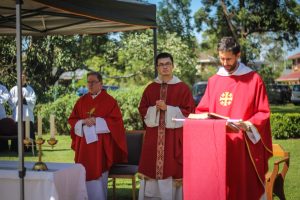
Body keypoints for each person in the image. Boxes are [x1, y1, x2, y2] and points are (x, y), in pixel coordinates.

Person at [195, 37, 272, 200]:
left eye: (228, 59)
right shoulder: (214, 81)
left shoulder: (254, 79)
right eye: (222, 58)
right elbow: (202, 110)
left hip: (244, 146)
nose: (224, 63)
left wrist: (248, 124)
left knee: (244, 187)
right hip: (220, 146)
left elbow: (263, 112)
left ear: (238, 55)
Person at [138, 52, 195, 200]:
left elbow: (189, 113)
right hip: (153, 139)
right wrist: (154, 109)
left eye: (167, 64)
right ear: (157, 67)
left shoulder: (182, 88)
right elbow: (142, 111)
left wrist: (167, 109)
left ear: (173, 66)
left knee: (172, 169)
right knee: (151, 171)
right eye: (161, 65)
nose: (165, 67)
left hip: (173, 140)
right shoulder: (150, 88)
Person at [68, 72, 127, 200]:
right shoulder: (81, 101)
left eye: (93, 82)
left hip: (101, 145)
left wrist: (97, 121)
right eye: (88, 82)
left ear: (101, 83)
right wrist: (83, 121)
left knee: (99, 175)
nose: (90, 85)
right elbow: (72, 120)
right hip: (84, 146)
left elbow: (116, 122)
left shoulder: (110, 101)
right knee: (84, 171)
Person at [10, 72, 36, 152]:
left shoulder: (30, 89)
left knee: (29, 130)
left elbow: (33, 99)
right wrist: (18, 99)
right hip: (18, 114)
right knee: (18, 131)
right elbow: (10, 100)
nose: (22, 79)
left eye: (23, 77)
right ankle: (16, 148)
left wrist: (25, 99)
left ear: (25, 78)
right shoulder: (13, 89)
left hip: (27, 113)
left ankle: (29, 148)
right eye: (20, 77)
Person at [0, 83, 12, 151]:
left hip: (0, 112)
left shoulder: (2, 87)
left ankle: (3, 148)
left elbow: (7, 96)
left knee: (2, 130)